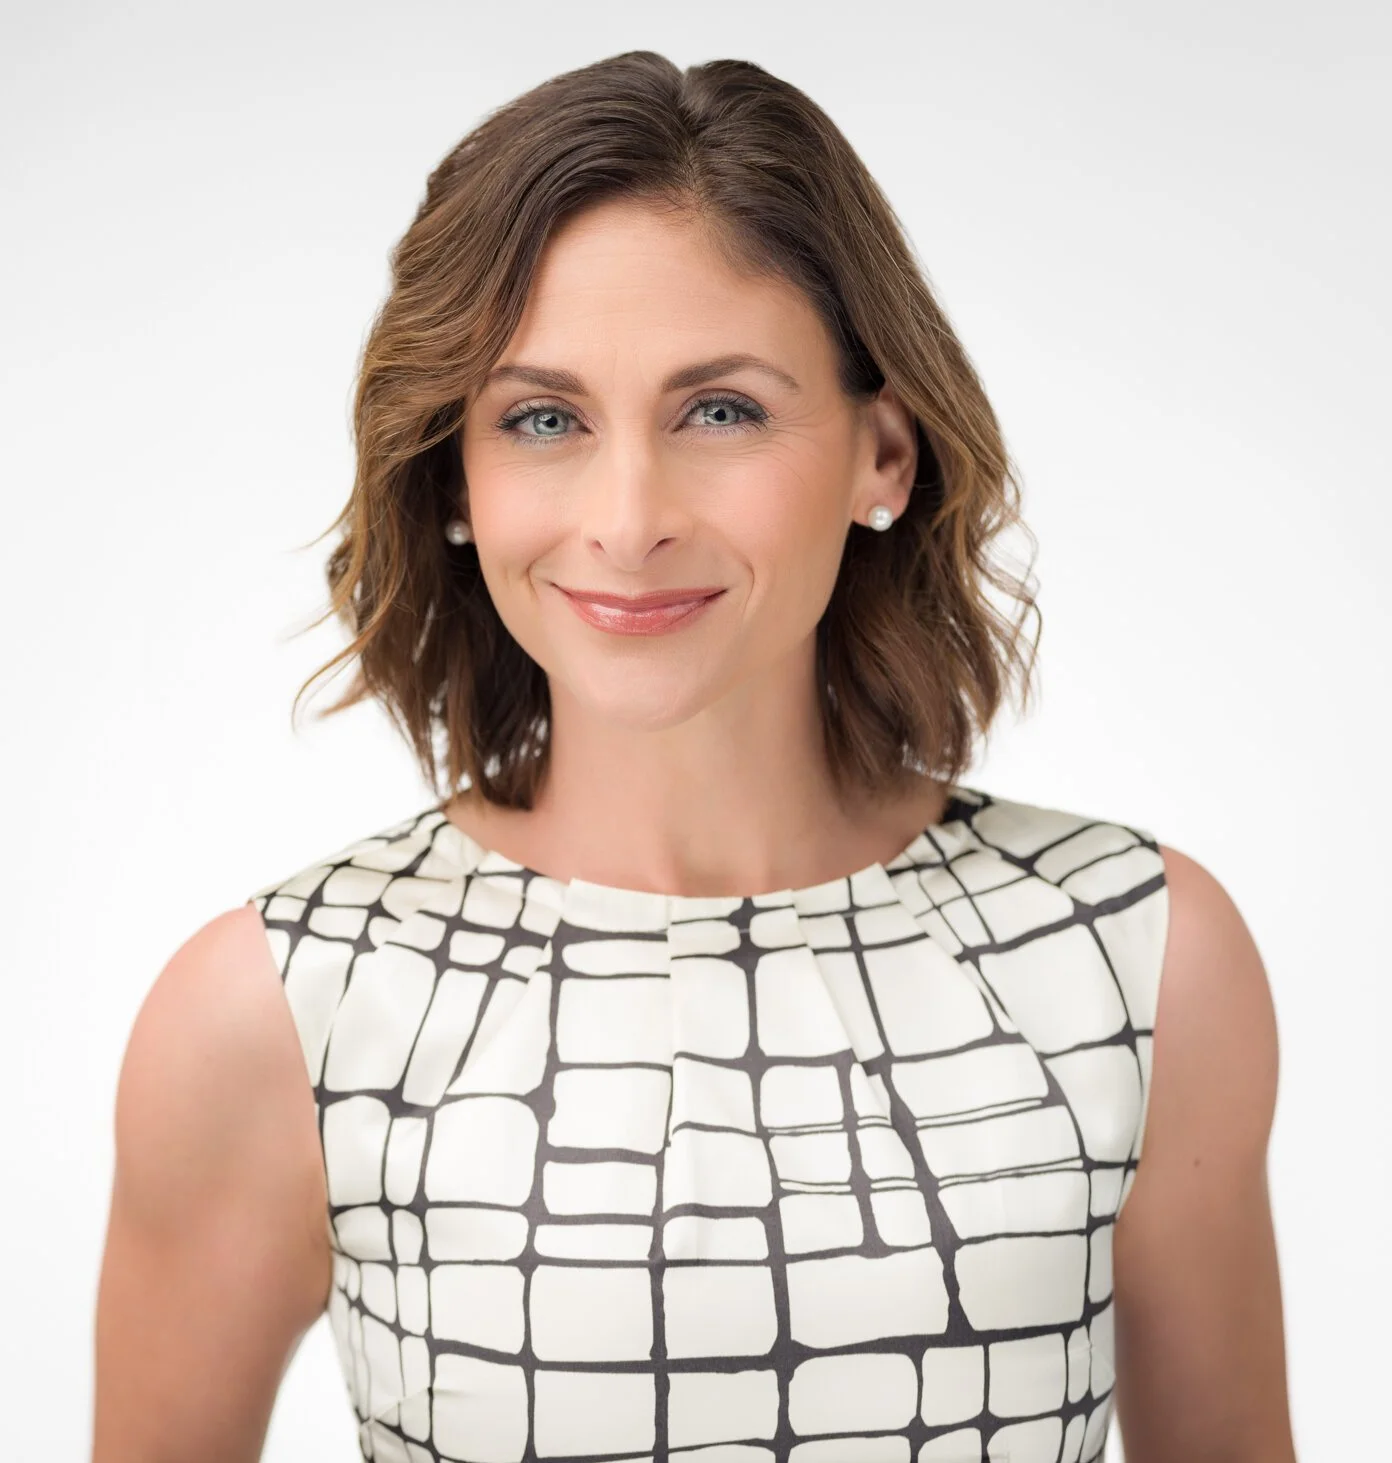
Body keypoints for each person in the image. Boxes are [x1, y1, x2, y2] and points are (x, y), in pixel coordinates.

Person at [91, 51, 1294, 1463]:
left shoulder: (1138, 959)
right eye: (543, 419)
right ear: (457, 480)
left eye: (718, 410)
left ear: (884, 455)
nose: (627, 515)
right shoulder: (281, 1012)